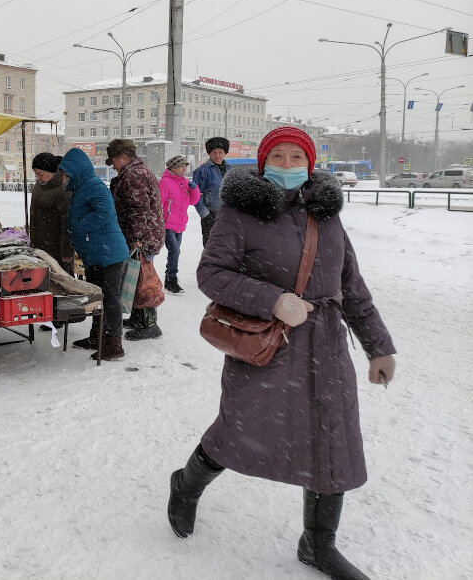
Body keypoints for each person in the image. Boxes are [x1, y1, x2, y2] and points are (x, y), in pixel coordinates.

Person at [167, 127, 397, 580]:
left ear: (310, 165)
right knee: (239, 433)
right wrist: (270, 299)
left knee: (334, 442)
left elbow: (352, 288)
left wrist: (378, 346)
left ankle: (317, 543)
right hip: (268, 347)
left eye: (297, 158)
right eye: (279, 157)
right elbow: (211, 274)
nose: (288, 166)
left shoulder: (327, 216)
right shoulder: (240, 213)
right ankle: (186, 484)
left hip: (327, 349)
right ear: (263, 161)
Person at [58, 147, 129, 360]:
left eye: (65, 172)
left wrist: (80, 227)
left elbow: (106, 211)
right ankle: (96, 337)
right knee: (97, 298)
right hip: (96, 253)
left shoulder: (94, 185)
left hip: (109, 254)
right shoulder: (81, 188)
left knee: (110, 300)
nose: (63, 177)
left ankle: (113, 344)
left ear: (76, 170)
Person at [106, 139, 165, 341]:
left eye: (114, 161)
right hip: (146, 235)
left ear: (123, 157)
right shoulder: (137, 171)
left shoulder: (134, 175)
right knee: (138, 277)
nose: (113, 166)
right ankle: (139, 318)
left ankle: (150, 325)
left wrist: (135, 238)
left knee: (144, 280)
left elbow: (138, 210)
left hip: (143, 238)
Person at [158, 155, 201, 294]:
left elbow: (192, 201)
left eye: (185, 166)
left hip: (180, 224)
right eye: (181, 166)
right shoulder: (165, 182)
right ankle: (171, 280)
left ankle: (170, 279)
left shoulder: (184, 182)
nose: (184, 169)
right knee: (175, 251)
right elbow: (159, 203)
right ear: (173, 168)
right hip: (168, 224)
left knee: (175, 252)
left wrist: (194, 189)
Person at [28, 152, 73, 272]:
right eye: (36, 174)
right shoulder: (39, 185)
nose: (38, 178)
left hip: (56, 247)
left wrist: (66, 251)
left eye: (40, 174)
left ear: (52, 172)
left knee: (59, 279)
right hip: (40, 244)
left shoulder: (63, 190)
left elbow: (68, 222)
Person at [192, 136, 230, 245]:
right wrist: (205, 214)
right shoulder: (202, 171)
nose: (217, 155)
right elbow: (196, 195)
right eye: (214, 152)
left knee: (227, 247)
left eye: (220, 152)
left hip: (227, 215)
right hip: (210, 214)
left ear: (225, 153)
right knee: (211, 247)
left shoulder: (230, 169)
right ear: (209, 153)